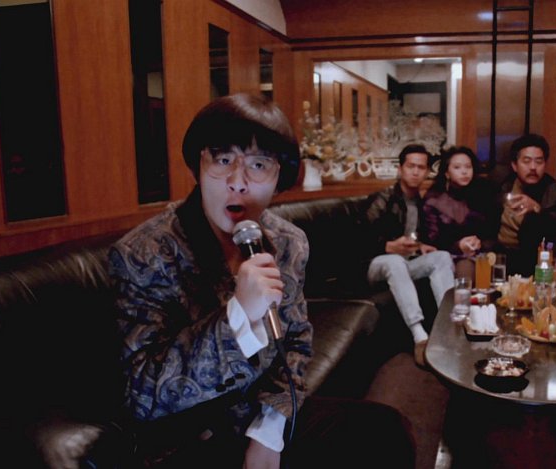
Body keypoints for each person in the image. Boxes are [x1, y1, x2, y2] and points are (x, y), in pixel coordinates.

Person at [109, 93, 413, 468]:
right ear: (198, 166)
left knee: (384, 433)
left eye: (258, 164)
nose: (238, 182)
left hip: (258, 416)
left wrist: (269, 430)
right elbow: (141, 393)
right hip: (187, 438)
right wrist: (237, 316)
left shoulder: (287, 242)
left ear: (279, 178)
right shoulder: (144, 252)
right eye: (222, 160)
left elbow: (296, 342)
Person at [364, 144, 454, 367]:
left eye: (421, 168)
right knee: (395, 261)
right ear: (400, 169)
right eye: (411, 166)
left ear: (427, 172)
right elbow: (358, 240)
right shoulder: (382, 198)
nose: (415, 172)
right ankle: (419, 336)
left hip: (404, 264)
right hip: (373, 264)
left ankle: (449, 327)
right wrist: (387, 246)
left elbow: (416, 235)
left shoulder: (420, 201)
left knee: (442, 257)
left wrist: (421, 245)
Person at [497, 134, 556, 277]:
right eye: (526, 161)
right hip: (499, 256)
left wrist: (537, 209)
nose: (533, 167)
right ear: (514, 165)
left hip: (533, 260)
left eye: (539, 161)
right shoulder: (502, 186)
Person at [423, 146, 500, 279]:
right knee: (465, 266)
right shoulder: (434, 199)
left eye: (468, 167)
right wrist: (458, 245)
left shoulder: (484, 193)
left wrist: (479, 243)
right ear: (447, 173)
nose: (464, 172)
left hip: (482, 252)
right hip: (449, 255)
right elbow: (432, 241)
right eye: (457, 167)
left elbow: (494, 231)